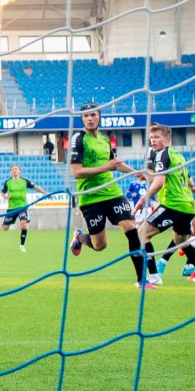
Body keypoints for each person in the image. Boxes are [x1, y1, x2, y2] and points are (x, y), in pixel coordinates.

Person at [68, 103, 156, 289]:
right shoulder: (78, 139)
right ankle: (80, 237)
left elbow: (114, 163)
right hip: (90, 197)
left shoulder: (105, 139)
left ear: (99, 116)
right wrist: (106, 168)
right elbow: (76, 172)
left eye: (93, 115)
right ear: (82, 119)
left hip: (112, 192)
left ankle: (142, 280)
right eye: (86, 116)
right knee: (100, 245)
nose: (90, 119)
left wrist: (136, 173)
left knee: (130, 227)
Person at [133, 123, 195, 284]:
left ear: (167, 138)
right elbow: (189, 181)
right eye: (151, 138)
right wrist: (194, 189)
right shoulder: (179, 156)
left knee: (142, 234)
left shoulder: (162, 155)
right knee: (181, 241)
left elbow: (160, 182)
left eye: (156, 137)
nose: (153, 141)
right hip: (188, 206)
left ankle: (154, 276)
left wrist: (142, 199)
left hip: (172, 204)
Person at [1, 165, 47, 252]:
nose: (14, 171)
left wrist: (45, 193)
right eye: (12, 169)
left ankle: (22, 245)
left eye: (16, 169)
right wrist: (5, 197)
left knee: (23, 224)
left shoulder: (25, 181)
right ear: (10, 172)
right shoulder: (7, 182)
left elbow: (36, 187)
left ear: (19, 171)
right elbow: (2, 192)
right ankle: (4, 224)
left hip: (22, 206)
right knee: (5, 228)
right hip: (12, 208)